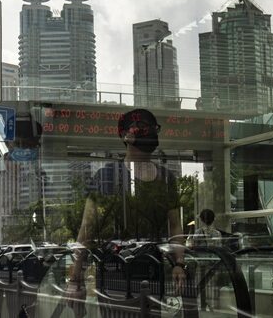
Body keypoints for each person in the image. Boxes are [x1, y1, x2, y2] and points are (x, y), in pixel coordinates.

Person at [66, 108, 189, 314]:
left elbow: (175, 226)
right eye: (142, 128)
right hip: (115, 276)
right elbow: (87, 230)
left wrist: (179, 264)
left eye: (153, 128)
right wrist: (75, 280)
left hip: (153, 273)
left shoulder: (166, 179)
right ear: (125, 135)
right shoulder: (107, 176)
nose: (150, 132)